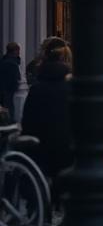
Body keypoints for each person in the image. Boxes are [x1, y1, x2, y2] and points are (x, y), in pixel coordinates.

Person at [21, 37, 72, 180]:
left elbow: (28, 121)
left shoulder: (37, 87)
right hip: (67, 148)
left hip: (41, 147)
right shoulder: (73, 87)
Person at [0, 42, 21, 114]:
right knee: (9, 111)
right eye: (18, 51)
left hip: (2, 91)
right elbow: (17, 78)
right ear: (15, 51)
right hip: (9, 93)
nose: (19, 53)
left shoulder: (2, 61)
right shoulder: (13, 64)